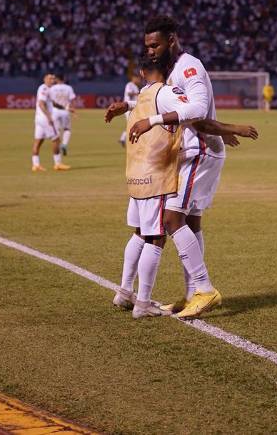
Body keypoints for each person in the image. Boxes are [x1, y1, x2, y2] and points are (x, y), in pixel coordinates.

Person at [114, 59, 259, 319]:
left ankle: (192, 290)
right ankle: (186, 293)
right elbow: (187, 111)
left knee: (161, 225)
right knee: (167, 227)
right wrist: (228, 128)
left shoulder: (158, 87)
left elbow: (196, 113)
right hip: (162, 165)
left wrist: (225, 129)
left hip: (160, 164)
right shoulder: (162, 90)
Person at [110, 16, 224, 319]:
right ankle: (192, 294)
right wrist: (132, 107)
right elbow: (164, 101)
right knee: (190, 221)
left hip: (198, 151)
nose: (149, 51)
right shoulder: (170, 71)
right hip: (185, 152)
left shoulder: (189, 66)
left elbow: (197, 109)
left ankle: (204, 288)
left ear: (171, 40)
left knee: (171, 219)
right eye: (147, 46)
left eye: (155, 45)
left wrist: (153, 120)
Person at [31, 73, 68, 171]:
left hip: (39, 119)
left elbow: (53, 103)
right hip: (45, 119)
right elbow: (41, 104)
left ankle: (36, 165)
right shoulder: (44, 89)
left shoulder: (47, 89)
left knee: (38, 141)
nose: (52, 80)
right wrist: (49, 117)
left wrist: (66, 107)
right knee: (56, 139)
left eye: (53, 78)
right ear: (44, 79)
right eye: (50, 78)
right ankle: (58, 163)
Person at [50, 73, 77, 156]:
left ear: (57, 79)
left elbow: (50, 100)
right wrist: (73, 110)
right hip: (65, 111)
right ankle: (64, 144)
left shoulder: (52, 88)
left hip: (55, 111)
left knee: (57, 130)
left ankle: (57, 147)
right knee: (67, 129)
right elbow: (72, 99)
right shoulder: (68, 88)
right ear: (63, 79)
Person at [119, 71, 144, 147]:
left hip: (133, 108)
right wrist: (138, 94)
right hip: (128, 108)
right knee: (132, 124)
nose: (139, 80)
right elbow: (129, 93)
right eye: (138, 78)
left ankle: (124, 138)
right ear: (134, 78)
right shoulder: (130, 84)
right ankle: (125, 139)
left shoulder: (135, 86)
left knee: (132, 124)